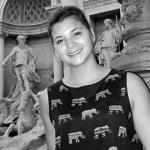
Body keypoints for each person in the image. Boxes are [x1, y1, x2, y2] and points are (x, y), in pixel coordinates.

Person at [39, 6, 150, 150]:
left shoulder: (131, 84)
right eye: (60, 41)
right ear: (55, 50)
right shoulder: (48, 98)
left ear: (91, 34)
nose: (70, 44)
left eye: (77, 33)